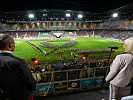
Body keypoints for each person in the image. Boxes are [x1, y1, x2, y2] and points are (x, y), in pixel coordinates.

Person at [0, 34, 36, 100]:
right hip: (20, 96)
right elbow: (30, 82)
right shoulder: (19, 62)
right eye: (14, 43)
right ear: (10, 45)